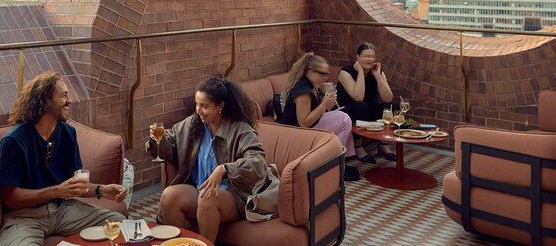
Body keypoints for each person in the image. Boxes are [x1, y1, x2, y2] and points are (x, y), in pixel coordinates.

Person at [0, 71, 127, 245]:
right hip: (24, 217)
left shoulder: (67, 133)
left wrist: (102, 190)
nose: (70, 100)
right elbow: (11, 200)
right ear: (46, 100)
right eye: (64, 95)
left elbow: (74, 185)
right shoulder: (13, 141)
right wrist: (57, 191)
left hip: (62, 211)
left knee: (119, 223)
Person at [149, 78, 267, 242]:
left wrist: (225, 169)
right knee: (169, 196)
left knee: (207, 196)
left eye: (204, 106)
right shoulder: (194, 124)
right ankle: (183, 244)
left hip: (233, 195)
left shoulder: (240, 130)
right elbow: (170, 144)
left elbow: (258, 164)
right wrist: (158, 141)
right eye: (197, 104)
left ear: (220, 106)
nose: (198, 110)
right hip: (199, 190)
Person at [281, 52, 361, 180]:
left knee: (342, 115)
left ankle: (339, 161)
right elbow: (304, 123)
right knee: (344, 120)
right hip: (298, 133)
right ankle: (333, 165)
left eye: (327, 73)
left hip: (306, 126)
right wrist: (324, 105)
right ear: (309, 71)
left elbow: (313, 113)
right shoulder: (303, 91)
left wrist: (325, 101)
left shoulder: (310, 85)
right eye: (323, 74)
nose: (326, 77)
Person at [336, 42, 399, 162]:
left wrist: (378, 77)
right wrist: (360, 72)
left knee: (393, 107)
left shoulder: (377, 72)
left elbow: (387, 98)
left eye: (372, 57)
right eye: (365, 56)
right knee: (361, 106)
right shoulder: (346, 72)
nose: (369, 59)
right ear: (358, 57)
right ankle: (358, 147)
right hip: (347, 111)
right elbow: (358, 97)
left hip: (366, 109)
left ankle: (383, 144)